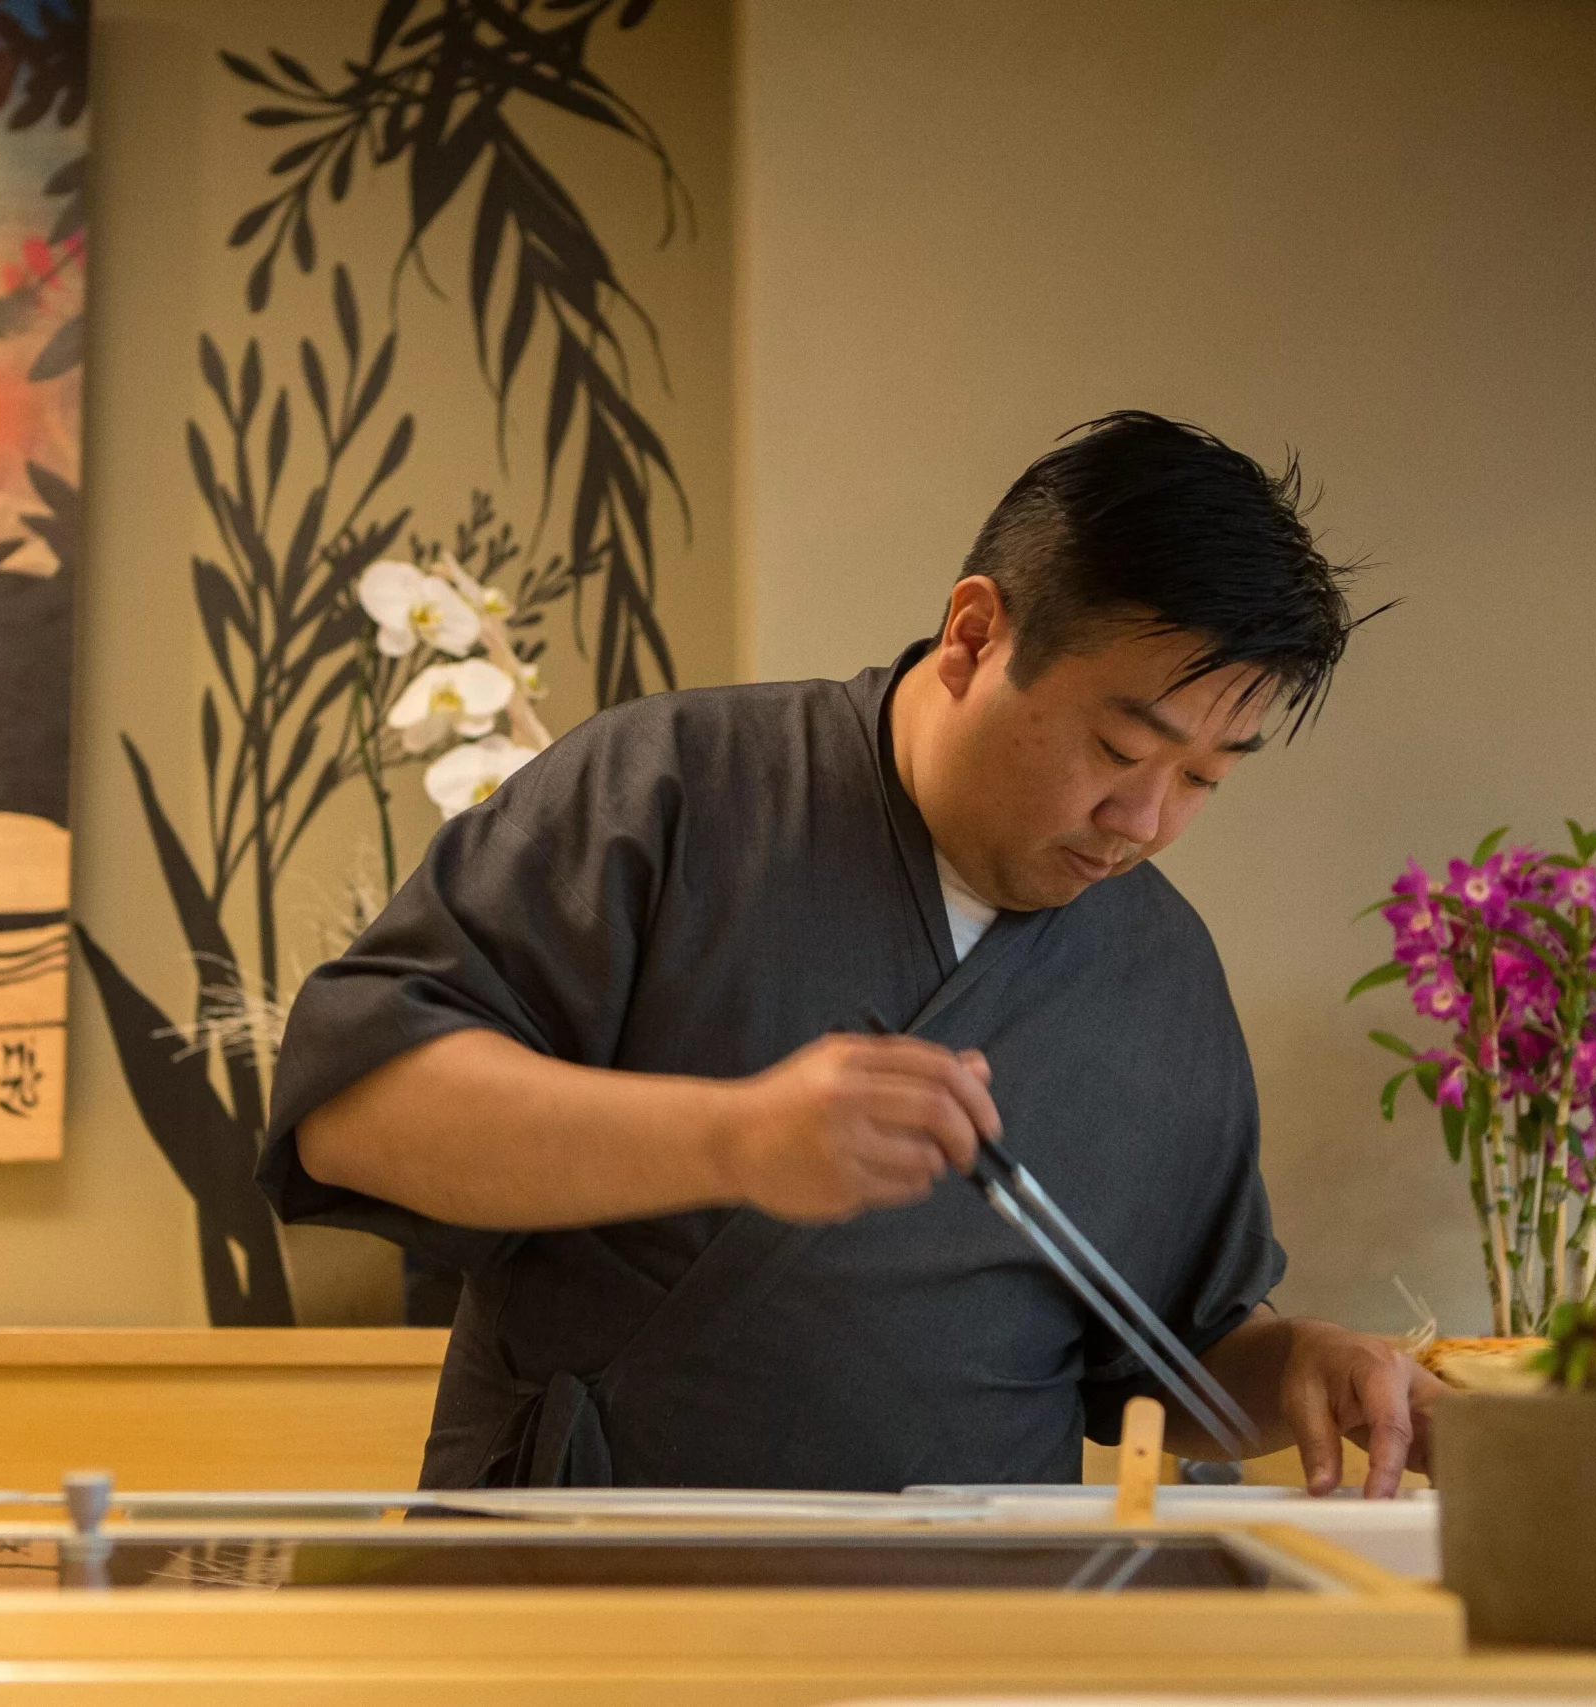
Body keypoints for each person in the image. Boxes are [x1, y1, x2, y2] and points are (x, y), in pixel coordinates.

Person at [259, 411, 1442, 1497]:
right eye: (1119, 749)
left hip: (975, 1622)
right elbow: (355, 1115)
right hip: (590, 1587)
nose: (1142, 821)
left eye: (1202, 779)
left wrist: (1301, 1364)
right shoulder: (669, 790)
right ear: (974, 635)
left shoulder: (1157, 971)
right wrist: (731, 1139)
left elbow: (1173, 1356)